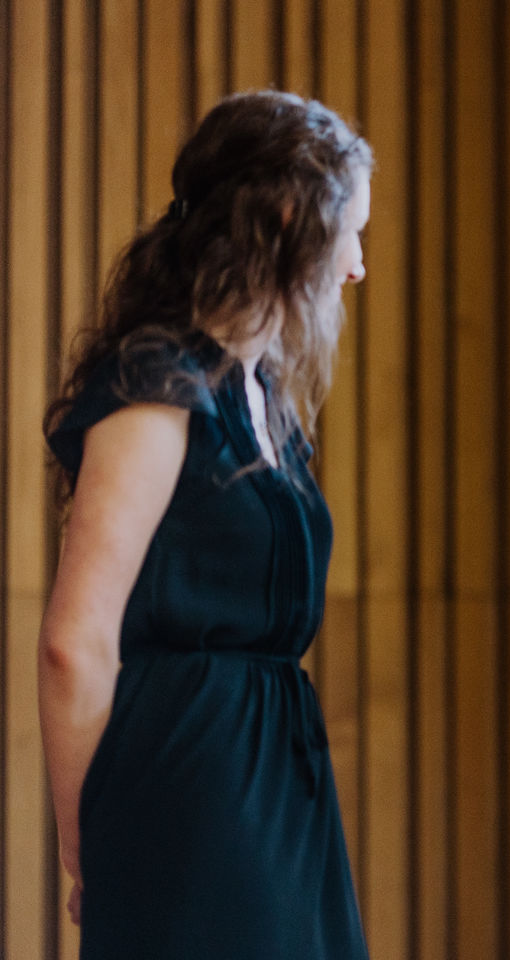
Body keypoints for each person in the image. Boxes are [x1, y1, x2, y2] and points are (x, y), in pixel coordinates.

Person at [38, 90, 372, 958]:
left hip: (275, 782)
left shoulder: (256, 396)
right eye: (352, 231)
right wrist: (87, 842)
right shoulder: (158, 386)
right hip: (194, 784)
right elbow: (76, 642)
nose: (358, 266)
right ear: (293, 216)